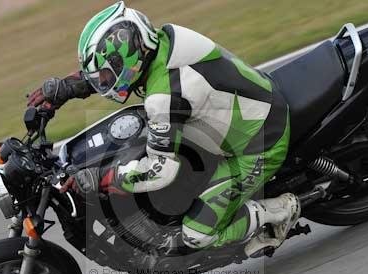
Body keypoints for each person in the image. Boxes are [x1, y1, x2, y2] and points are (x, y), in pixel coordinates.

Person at [27, 1, 300, 257]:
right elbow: (126, 62)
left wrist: (101, 177)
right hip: (247, 106)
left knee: (196, 236)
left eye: (107, 75)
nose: (103, 82)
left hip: (261, 141)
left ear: (128, 63)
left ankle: (277, 211)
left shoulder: (164, 97)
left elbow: (160, 171)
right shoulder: (163, 40)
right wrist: (71, 87)